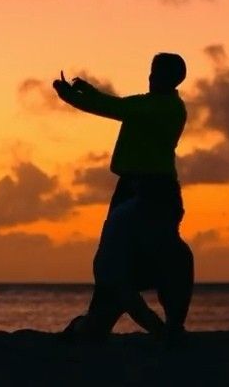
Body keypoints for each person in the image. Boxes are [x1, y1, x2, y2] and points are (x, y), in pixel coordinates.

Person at [52, 53, 194, 341]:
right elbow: (118, 105)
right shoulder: (153, 105)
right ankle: (147, 324)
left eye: (158, 73)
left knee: (160, 259)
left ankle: (169, 327)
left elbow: (113, 107)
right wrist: (88, 92)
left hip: (152, 190)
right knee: (134, 265)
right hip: (139, 188)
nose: (152, 77)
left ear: (172, 79)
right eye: (152, 72)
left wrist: (72, 96)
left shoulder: (163, 107)